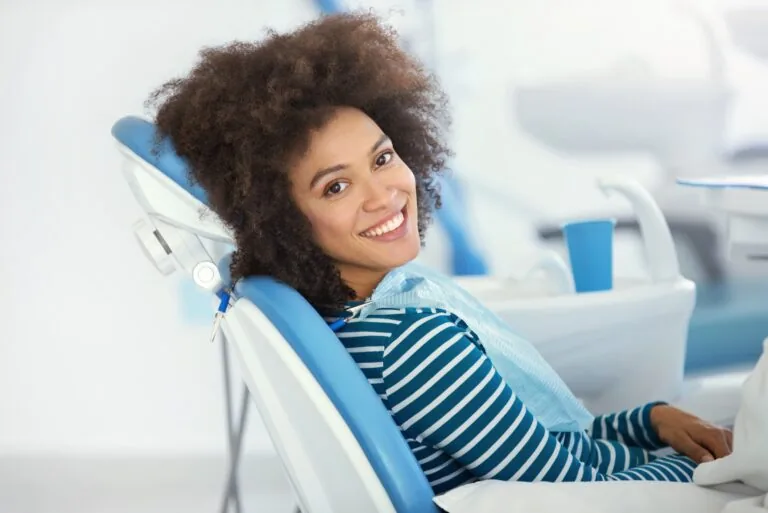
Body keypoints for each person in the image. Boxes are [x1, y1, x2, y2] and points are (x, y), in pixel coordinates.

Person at [147, 11, 733, 495]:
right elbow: (579, 492)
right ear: (281, 221)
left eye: (381, 158)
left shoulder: (358, 320)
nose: (384, 195)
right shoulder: (414, 344)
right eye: (337, 186)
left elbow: (542, 446)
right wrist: (733, 464)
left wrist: (649, 420)